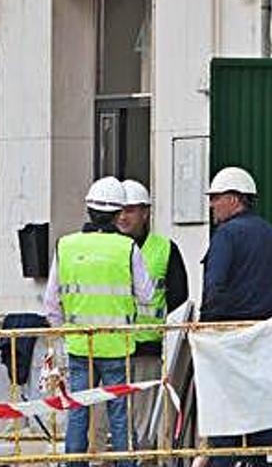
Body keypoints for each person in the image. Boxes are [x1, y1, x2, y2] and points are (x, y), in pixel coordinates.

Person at [43, 176, 152, 467]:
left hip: (80, 346)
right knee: (119, 412)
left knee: (78, 411)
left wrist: (62, 336)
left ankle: (74, 464)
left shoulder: (65, 246)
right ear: (119, 213)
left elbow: (51, 303)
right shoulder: (127, 248)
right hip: (118, 346)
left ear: (89, 210)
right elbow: (147, 294)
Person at [200, 166, 272, 467]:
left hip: (229, 336)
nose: (212, 204)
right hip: (265, 336)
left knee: (226, 413)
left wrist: (205, 327)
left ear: (235, 199)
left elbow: (215, 286)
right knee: (261, 412)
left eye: (216, 198)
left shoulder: (226, 235)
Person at [116, 179, 189, 457]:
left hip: (149, 349)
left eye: (131, 210)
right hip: (111, 350)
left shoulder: (165, 249)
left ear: (146, 213)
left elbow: (179, 301)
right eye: (119, 210)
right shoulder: (109, 248)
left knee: (145, 424)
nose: (123, 217)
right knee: (116, 422)